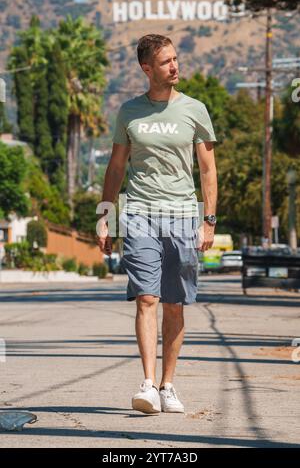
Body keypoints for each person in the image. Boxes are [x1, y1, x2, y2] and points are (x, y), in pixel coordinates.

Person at [97, 34, 218, 414]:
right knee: (147, 297)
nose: (174, 66)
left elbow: (208, 169)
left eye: (175, 59)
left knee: (175, 304)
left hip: (182, 215)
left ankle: (168, 385)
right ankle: (148, 384)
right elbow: (116, 167)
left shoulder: (195, 109)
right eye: (165, 62)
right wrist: (106, 217)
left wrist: (209, 220)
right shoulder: (129, 112)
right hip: (139, 214)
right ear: (147, 68)